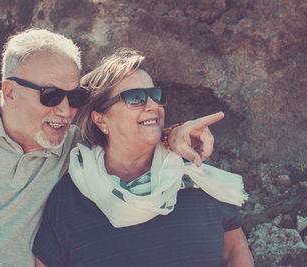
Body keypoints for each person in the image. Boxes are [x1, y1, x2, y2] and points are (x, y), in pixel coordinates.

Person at [0, 28, 222, 266]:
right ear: (10, 92)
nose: (66, 111)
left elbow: (125, 133)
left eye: (75, 97)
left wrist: (171, 136)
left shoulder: (75, 147)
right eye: (51, 96)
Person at [33, 48, 254, 267]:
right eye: (135, 98)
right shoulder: (69, 197)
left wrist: (171, 134)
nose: (153, 106)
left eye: (154, 96)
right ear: (101, 121)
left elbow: (235, 251)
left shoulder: (195, 178)